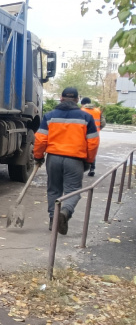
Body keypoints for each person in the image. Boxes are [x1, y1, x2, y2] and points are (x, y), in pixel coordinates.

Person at [33, 87, 99, 235]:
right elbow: (93, 142)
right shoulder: (85, 117)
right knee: (73, 191)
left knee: (54, 190)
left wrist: (38, 156)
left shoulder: (50, 116)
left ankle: (53, 220)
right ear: (77, 100)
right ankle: (65, 212)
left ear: (61, 98)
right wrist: (88, 160)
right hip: (75, 159)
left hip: (54, 158)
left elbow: (40, 139)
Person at [80, 97, 106, 176]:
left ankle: (81, 169)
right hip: (95, 135)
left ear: (82, 104)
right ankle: (92, 168)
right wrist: (97, 129)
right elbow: (103, 123)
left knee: (82, 150)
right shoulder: (98, 111)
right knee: (92, 149)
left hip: (82, 134)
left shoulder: (81, 111)